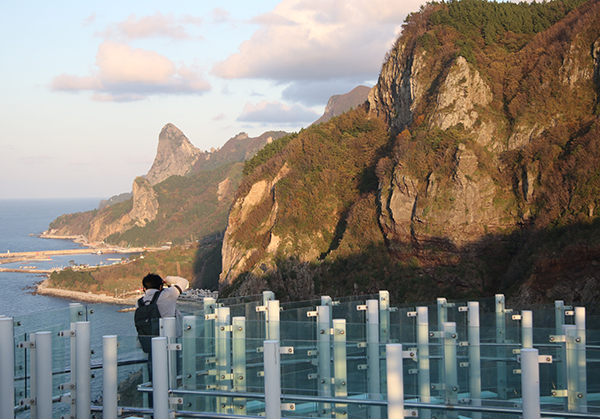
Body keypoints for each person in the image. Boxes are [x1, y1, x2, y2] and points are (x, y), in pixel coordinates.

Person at [137, 273, 189, 383]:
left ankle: (155, 397)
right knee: (173, 373)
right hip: (170, 340)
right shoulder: (167, 295)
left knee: (154, 376)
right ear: (160, 287)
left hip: (150, 343)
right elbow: (184, 282)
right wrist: (167, 279)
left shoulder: (140, 302)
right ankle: (172, 393)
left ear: (144, 288)